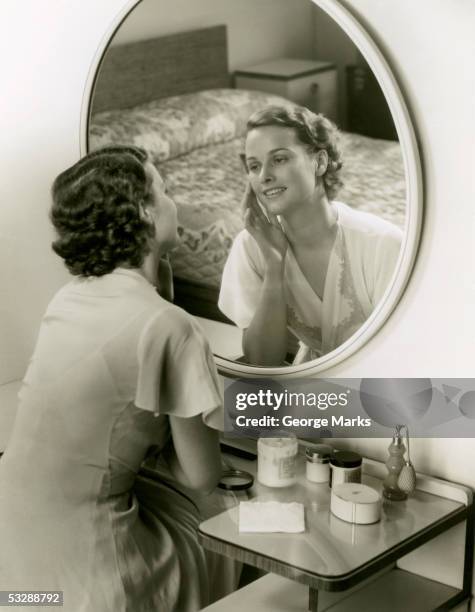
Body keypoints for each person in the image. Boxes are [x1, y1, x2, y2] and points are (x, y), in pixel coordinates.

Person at [0, 146, 239, 611]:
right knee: (222, 534)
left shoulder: (68, 299)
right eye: (165, 190)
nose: (174, 202)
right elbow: (204, 475)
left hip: (14, 570)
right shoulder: (171, 328)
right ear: (144, 213)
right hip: (89, 575)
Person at [218, 105, 403, 365]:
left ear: (319, 162)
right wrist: (274, 264)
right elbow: (262, 362)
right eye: (254, 165)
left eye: (279, 159)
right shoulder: (252, 246)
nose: (264, 176)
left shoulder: (383, 245)